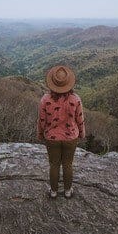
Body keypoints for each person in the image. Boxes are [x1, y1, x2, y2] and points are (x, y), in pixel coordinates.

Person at [37, 64, 86, 199]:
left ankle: (53, 192)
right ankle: (67, 191)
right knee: (67, 164)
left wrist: (40, 134)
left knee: (54, 164)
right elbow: (80, 119)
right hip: (71, 138)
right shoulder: (75, 99)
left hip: (52, 138)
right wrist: (81, 133)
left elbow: (42, 120)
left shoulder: (45, 100)